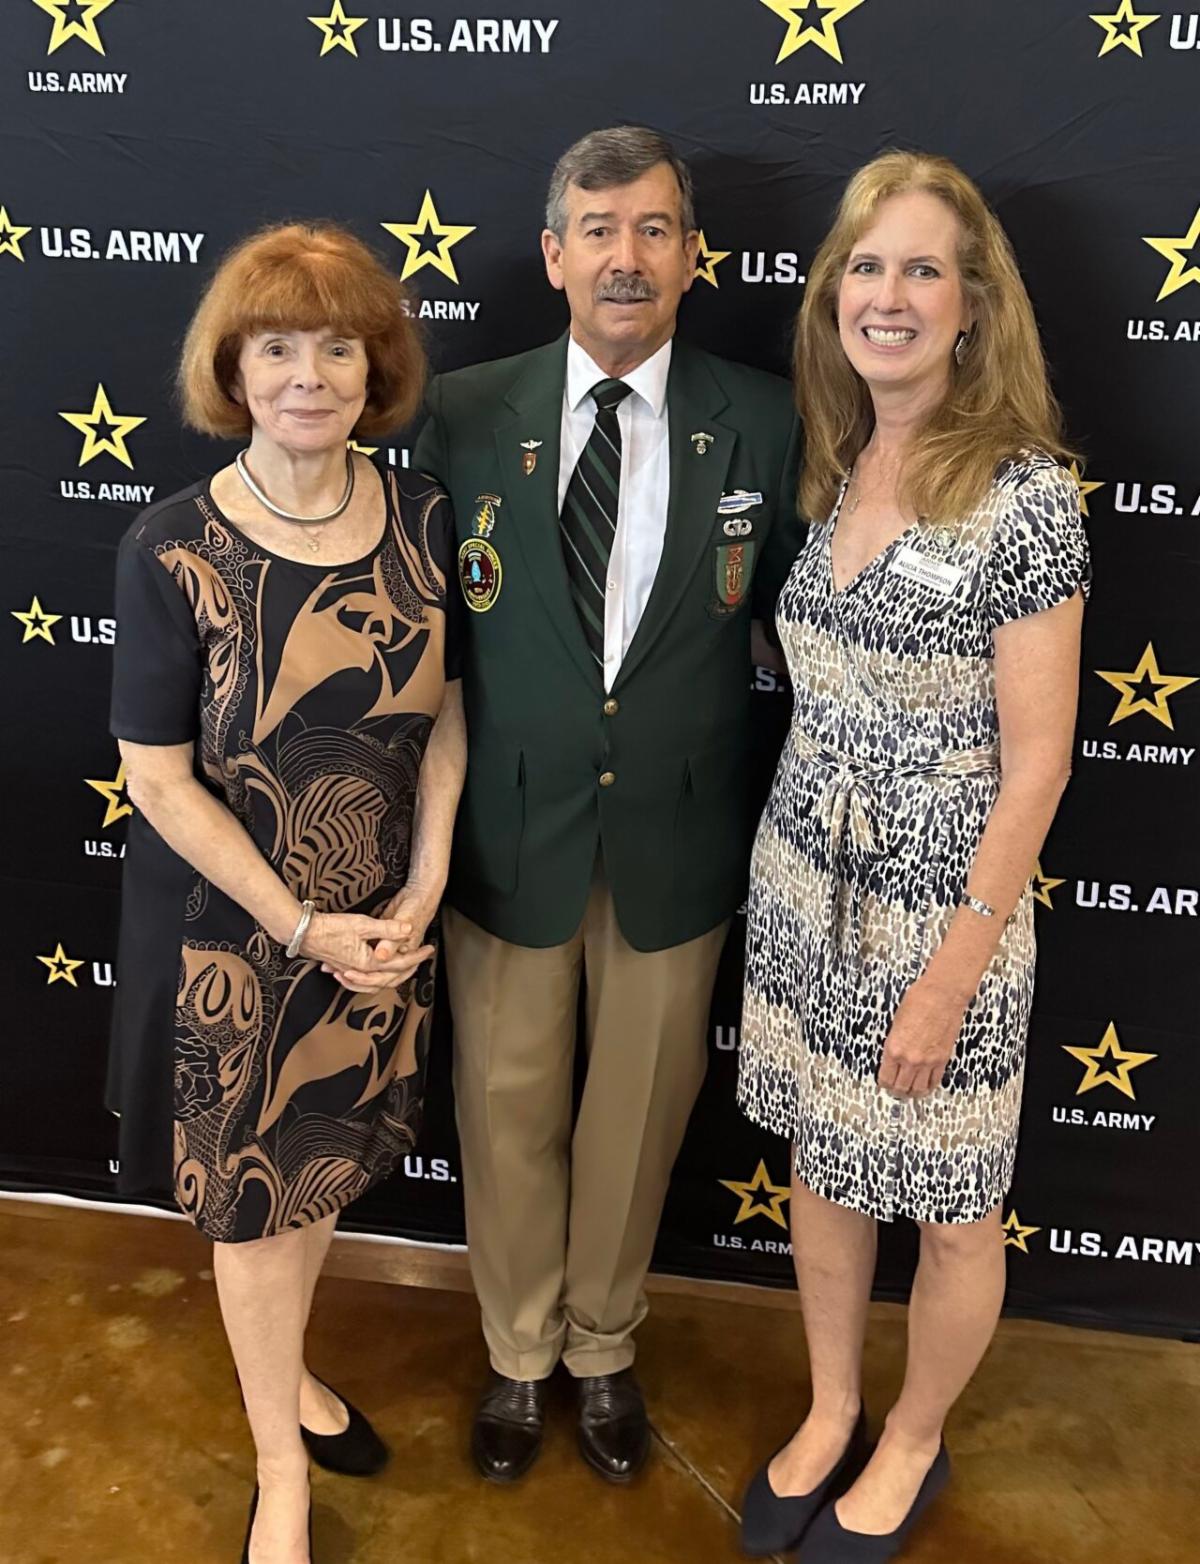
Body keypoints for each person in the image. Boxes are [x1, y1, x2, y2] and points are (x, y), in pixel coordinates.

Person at [413, 125, 804, 1484]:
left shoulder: (767, 417)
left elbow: (808, 620)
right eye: (598, 229)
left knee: (638, 1117)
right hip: (508, 831)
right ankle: (519, 1356)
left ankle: (602, 1345)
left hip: (677, 835)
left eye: (652, 229)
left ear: (693, 256)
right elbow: (422, 634)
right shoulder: (465, 411)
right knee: (505, 1104)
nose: (625, 257)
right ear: (552, 255)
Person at [737, 151, 1089, 1562]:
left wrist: (950, 977)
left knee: (952, 1209)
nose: (888, 295)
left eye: (923, 268)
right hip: (801, 883)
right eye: (866, 266)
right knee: (823, 1164)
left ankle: (914, 1437)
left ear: (973, 305)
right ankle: (833, 1404)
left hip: (948, 910)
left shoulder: (1025, 494)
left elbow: (1041, 761)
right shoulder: (834, 461)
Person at [107, 223, 466, 1564]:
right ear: (232, 370)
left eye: (337, 347)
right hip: (238, 945)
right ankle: (280, 1471)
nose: (308, 376)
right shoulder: (172, 546)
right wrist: (301, 925)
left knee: (318, 1176)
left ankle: (292, 1375)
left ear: (377, 370)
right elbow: (157, 779)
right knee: (254, 1210)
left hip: (381, 935)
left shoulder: (425, 517)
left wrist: (424, 883)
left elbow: (450, 709)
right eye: (276, 348)